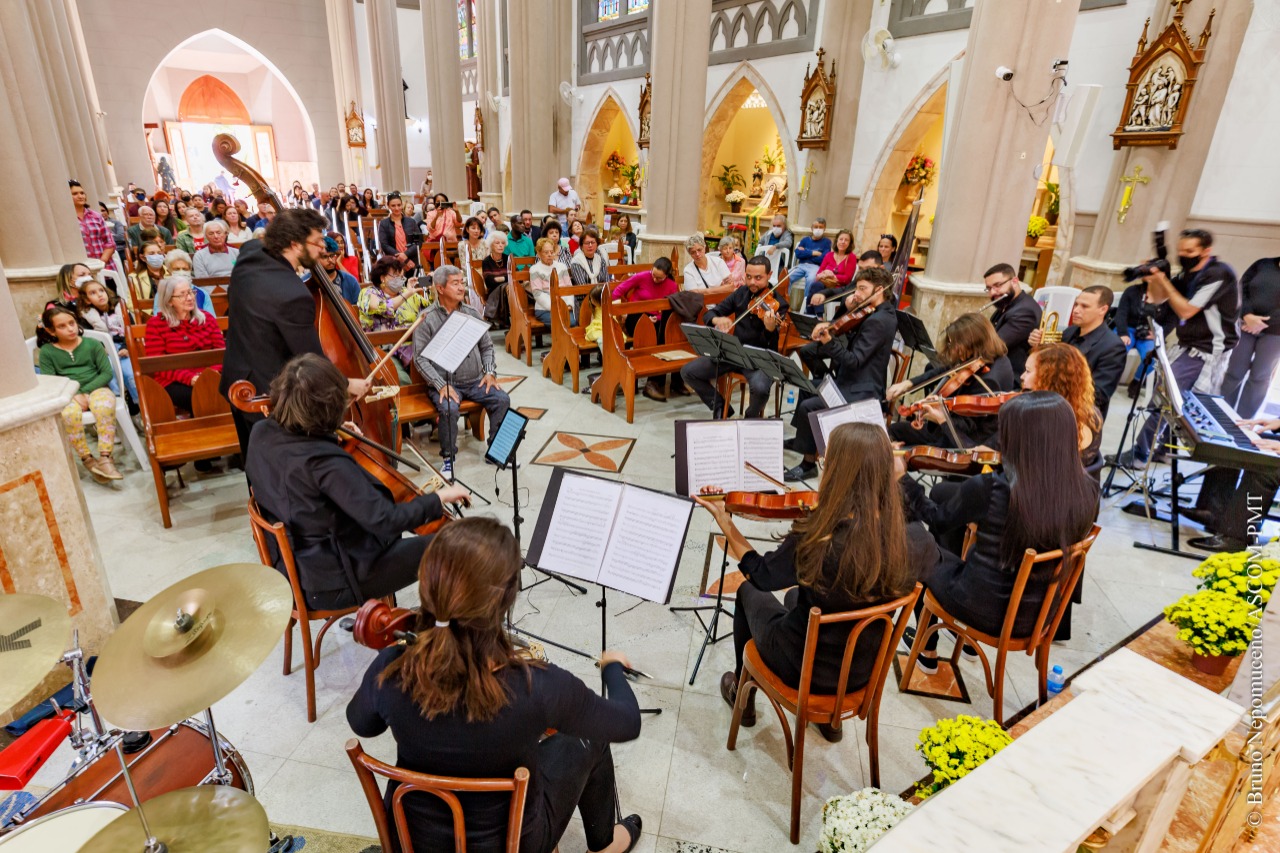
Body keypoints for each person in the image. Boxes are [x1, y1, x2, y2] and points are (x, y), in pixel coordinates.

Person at [346, 518, 643, 853]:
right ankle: (603, 846)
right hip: (513, 845)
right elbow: (627, 721)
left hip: (413, 841)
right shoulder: (537, 686)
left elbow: (362, 724)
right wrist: (612, 669)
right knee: (593, 736)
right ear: (506, 600)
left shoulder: (393, 667)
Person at [699, 423, 932, 741]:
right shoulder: (913, 538)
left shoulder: (819, 537)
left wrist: (726, 523)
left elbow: (763, 575)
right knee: (797, 596)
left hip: (803, 669)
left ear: (837, 469)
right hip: (861, 670)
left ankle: (744, 695)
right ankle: (831, 724)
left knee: (746, 589)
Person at [247, 354, 470, 611]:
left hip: (289, 569)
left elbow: (296, 470)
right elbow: (385, 520)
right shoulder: (324, 463)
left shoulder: (261, 432)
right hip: (333, 580)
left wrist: (328, 434)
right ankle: (443, 634)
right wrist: (438, 498)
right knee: (454, 548)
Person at [900, 392, 1099, 672]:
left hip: (984, 607)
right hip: (1040, 613)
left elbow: (938, 518)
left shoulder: (992, 487)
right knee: (957, 543)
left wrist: (903, 479)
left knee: (916, 538)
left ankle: (926, 650)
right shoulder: (1088, 488)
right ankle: (960, 642)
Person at [220, 208, 372, 458]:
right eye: (317, 242)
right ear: (294, 244)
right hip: (268, 395)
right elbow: (311, 359)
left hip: (236, 380)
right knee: (278, 469)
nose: (323, 249)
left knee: (255, 463)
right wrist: (345, 384)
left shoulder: (250, 253)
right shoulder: (293, 295)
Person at [1116, 229, 1240, 469]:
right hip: (1188, 344)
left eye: (1190, 251)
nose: (1184, 255)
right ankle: (1162, 450)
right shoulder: (1187, 274)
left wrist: (1163, 281)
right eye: (1181, 251)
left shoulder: (1219, 274)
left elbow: (1185, 310)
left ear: (1206, 251)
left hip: (1206, 351)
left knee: (1166, 398)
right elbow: (1159, 298)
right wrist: (1154, 277)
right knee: (1176, 401)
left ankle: (1141, 455)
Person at [786, 267, 897, 482]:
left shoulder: (878, 321)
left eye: (862, 288)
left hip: (862, 389)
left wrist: (829, 341)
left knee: (809, 407)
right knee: (810, 391)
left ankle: (808, 463)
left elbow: (853, 361)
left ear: (880, 290)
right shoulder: (878, 311)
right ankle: (803, 442)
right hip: (853, 380)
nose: (857, 292)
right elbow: (852, 329)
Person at [412, 265, 510, 481]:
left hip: (475, 380)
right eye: (455, 283)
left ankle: (497, 452)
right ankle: (449, 459)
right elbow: (419, 358)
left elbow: (486, 347)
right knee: (448, 408)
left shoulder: (471, 313)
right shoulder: (427, 318)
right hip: (446, 383)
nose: (461, 287)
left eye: (462, 282)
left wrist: (490, 372)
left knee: (501, 398)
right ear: (440, 288)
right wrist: (439, 384)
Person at [886, 313, 1016, 449]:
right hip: (954, 425)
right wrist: (909, 384)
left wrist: (936, 417)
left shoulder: (990, 380)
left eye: (956, 345)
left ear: (974, 342)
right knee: (896, 430)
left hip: (965, 440)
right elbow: (947, 369)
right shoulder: (987, 355)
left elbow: (969, 426)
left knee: (896, 432)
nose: (953, 349)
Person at [681, 255, 784, 419]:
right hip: (734, 354)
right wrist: (717, 319)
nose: (752, 283)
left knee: (760, 387)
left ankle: (750, 416)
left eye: (758, 278)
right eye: (748, 277)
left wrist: (770, 328)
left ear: (769, 275)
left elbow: (773, 340)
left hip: (760, 360)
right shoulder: (741, 293)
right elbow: (712, 313)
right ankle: (720, 405)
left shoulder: (779, 303)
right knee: (689, 372)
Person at [38, 306, 124, 483]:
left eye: (72, 323)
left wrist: (85, 391)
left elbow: (106, 373)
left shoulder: (92, 344)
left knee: (104, 406)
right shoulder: (47, 351)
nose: (70, 328)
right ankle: (88, 460)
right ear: (50, 331)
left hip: (97, 387)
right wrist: (74, 394)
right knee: (68, 414)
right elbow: (51, 380)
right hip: (68, 394)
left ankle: (106, 457)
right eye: (62, 326)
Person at [1027, 285, 1126, 421]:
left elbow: (1099, 395)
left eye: (1084, 306)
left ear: (1103, 310)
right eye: (1076, 304)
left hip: (1078, 417)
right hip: (1052, 404)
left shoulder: (1113, 347)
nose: (1076, 310)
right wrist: (1040, 347)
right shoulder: (1070, 331)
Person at [144, 275, 225, 414]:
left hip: (211, 374)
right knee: (202, 396)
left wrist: (210, 374)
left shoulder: (207, 318)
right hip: (174, 379)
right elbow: (159, 365)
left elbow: (221, 352)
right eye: (182, 295)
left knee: (234, 389)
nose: (190, 298)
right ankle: (206, 432)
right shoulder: (156, 325)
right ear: (169, 301)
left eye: (190, 292)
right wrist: (191, 378)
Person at [1019, 343, 1103, 469]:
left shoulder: (1045, 420)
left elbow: (1027, 471)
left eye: (1028, 371)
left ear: (1048, 378)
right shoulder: (1092, 413)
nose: (1022, 376)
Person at [1220, 255, 1280, 419]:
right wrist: (1247, 315)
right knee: (1234, 372)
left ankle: (1244, 422)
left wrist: (1261, 323)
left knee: (1259, 377)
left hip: (1275, 333)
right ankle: (1222, 415)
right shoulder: (1263, 264)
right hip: (1246, 325)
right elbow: (1242, 288)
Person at [358, 256, 431, 384]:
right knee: (403, 381)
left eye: (402, 277)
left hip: (412, 347)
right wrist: (407, 294)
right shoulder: (368, 293)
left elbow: (429, 310)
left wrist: (434, 291)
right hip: (384, 351)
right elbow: (382, 307)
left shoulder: (405, 292)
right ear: (382, 278)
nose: (400, 280)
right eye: (396, 276)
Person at [75, 278, 137, 405]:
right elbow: (88, 337)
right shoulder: (86, 316)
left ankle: (137, 402)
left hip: (124, 345)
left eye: (101, 290)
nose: (99, 295)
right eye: (92, 293)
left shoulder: (121, 308)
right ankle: (120, 399)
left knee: (129, 372)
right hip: (103, 349)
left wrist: (125, 346)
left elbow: (131, 329)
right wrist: (101, 348)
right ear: (87, 300)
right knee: (110, 370)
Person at [983, 263, 1042, 379]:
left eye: (997, 285)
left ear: (1014, 281)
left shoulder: (1025, 311)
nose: (993, 293)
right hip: (994, 369)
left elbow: (995, 346)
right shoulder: (1006, 303)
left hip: (1010, 377)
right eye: (989, 288)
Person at [804, 229, 858, 316]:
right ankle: (818, 314)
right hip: (823, 285)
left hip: (838, 289)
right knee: (816, 285)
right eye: (841, 239)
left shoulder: (851, 257)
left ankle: (812, 315)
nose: (843, 242)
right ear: (837, 241)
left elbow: (847, 279)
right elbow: (818, 275)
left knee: (816, 288)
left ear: (850, 243)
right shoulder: (829, 255)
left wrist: (832, 276)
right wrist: (824, 273)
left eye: (846, 240)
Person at [70, 180, 116, 271]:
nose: (80, 196)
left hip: (105, 267)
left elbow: (109, 243)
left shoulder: (96, 216)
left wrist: (101, 263)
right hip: (82, 270)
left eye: (82, 193)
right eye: (75, 194)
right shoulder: (67, 218)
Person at [528, 237, 573, 327]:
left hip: (565, 306)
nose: (549, 255)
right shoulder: (535, 269)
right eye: (546, 252)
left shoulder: (562, 267)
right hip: (544, 309)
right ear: (539, 254)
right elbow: (537, 293)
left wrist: (568, 304)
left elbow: (569, 288)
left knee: (574, 321)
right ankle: (560, 341)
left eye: (551, 252)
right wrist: (555, 307)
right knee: (564, 323)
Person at [786, 218, 832, 302]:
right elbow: (798, 254)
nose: (818, 229)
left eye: (820, 227)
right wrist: (813, 253)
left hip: (815, 267)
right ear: (812, 228)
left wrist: (805, 253)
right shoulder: (805, 240)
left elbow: (823, 259)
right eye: (816, 227)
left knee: (811, 280)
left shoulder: (827, 242)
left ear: (824, 228)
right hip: (801, 266)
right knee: (786, 278)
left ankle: (807, 304)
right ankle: (784, 302)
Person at [377, 192, 424, 274]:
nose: (397, 208)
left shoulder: (411, 222)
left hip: (412, 261)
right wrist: (403, 259)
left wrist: (406, 254)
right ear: (388, 206)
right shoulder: (383, 223)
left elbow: (419, 241)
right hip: (393, 262)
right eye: (393, 206)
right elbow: (384, 245)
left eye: (399, 205)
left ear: (402, 205)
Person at [317, 234, 361, 307]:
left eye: (332, 256)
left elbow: (358, 309)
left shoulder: (350, 280)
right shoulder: (308, 283)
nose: (330, 260)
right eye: (325, 257)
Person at [481, 232, 511, 324]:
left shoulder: (508, 259)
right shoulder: (486, 261)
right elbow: (490, 282)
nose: (500, 246)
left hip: (509, 290)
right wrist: (506, 278)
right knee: (508, 288)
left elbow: (515, 276)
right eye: (497, 243)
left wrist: (499, 278)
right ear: (491, 245)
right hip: (494, 292)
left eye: (502, 243)